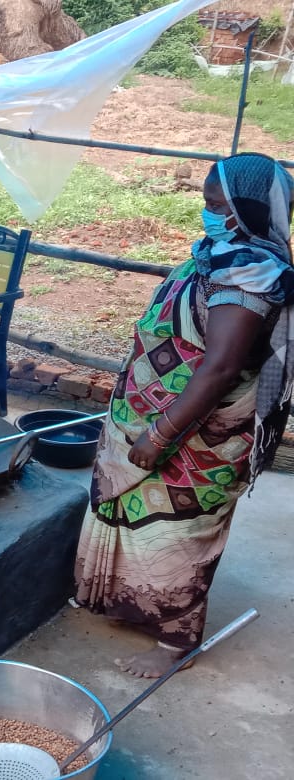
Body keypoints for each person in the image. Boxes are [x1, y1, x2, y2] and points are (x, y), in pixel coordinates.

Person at [74, 152, 294, 678]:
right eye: (205, 202)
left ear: (247, 209)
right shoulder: (219, 255)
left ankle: (176, 641)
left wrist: (160, 433)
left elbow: (218, 371)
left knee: (179, 532)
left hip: (197, 436)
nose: (208, 212)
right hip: (153, 414)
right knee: (136, 516)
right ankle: (132, 603)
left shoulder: (250, 278)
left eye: (217, 205)